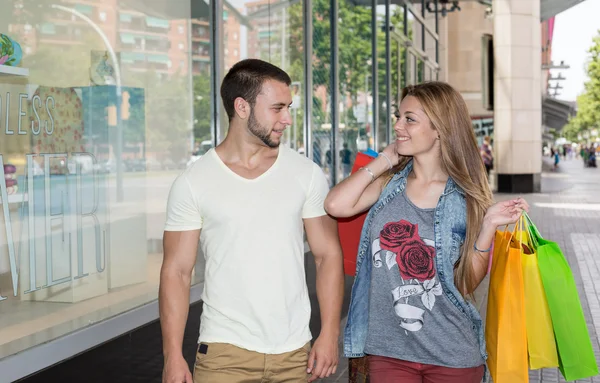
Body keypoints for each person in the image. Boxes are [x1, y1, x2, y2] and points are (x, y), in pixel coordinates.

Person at [324, 82, 529, 383]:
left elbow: (466, 283)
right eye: (398, 116)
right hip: (388, 352)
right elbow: (336, 205)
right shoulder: (387, 186)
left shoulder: (466, 197)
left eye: (409, 119)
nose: (398, 125)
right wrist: (384, 159)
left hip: (452, 353)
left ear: (439, 129)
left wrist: (487, 228)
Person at [159, 59, 344, 383]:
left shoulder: (306, 174)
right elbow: (176, 271)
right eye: (277, 108)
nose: (287, 119)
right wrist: (172, 356)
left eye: (288, 107)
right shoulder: (193, 182)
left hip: (293, 354)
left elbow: (327, 255)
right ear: (241, 107)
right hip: (223, 355)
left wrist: (329, 332)